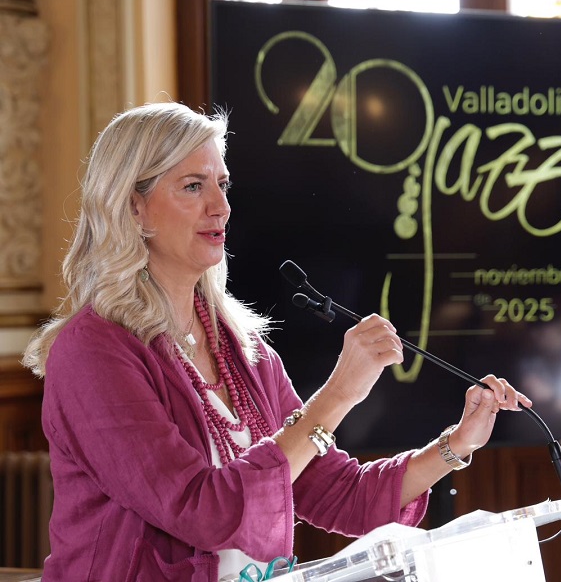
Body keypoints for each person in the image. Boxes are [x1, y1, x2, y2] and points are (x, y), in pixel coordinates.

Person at [22, 102, 531, 582]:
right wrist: (337, 396)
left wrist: (456, 444)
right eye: (193, 187)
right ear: (134, 208)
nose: (221, 207)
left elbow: (339, 493)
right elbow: (202, 510)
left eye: (223, 184)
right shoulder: (93, 352)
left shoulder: (242, 349)